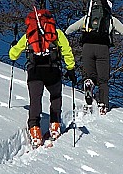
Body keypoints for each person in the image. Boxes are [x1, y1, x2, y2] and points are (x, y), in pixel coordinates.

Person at [9, 8, 76, 148]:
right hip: (53, 69)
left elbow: (13, 55)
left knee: (35, 100)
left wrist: (13, 47)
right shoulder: (56, 33)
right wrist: (70, 68)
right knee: (56, 97)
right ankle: (55, 124)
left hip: (34, 71)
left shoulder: (29, 34)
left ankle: (34, 130)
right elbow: (67, 50)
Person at [65, 0, 123, 114]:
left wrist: (61, 40)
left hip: (87, 47)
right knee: (103, 79)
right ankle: (103, 105)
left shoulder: (87, 19)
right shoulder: (112, 20)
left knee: (89, 74)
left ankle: (89, 82)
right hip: (103, 48)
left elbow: (70, 29)